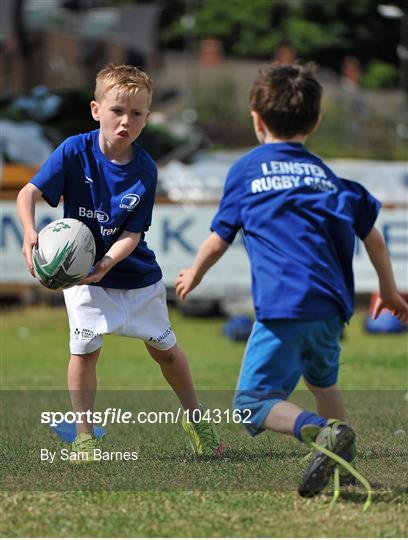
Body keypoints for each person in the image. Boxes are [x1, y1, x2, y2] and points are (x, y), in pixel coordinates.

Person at [175, 64, 408, 497]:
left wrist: (195, 272)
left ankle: (321, 432)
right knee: (323, 383)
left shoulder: (247, 171)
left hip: (284, 306)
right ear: (316, 122)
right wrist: (390, 291)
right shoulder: (331, 179)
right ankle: (340, 466)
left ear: (257, 120)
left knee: (251, 405)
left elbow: (218, 238)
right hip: (332, 309)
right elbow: (373, 238)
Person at [17, 63, 224, 461]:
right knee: (84, 351)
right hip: (83, 277)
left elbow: (133, 233)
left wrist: (108, 261)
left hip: (135, 276)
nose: (126, 121)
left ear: (147, 117)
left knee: (165, 351)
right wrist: (31, 233)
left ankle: (196, 419)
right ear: (96, 110)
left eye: (137, 113)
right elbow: (28, 194)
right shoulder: (74, 151)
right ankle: (84, 437)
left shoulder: (145, 168)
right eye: (117, 110)